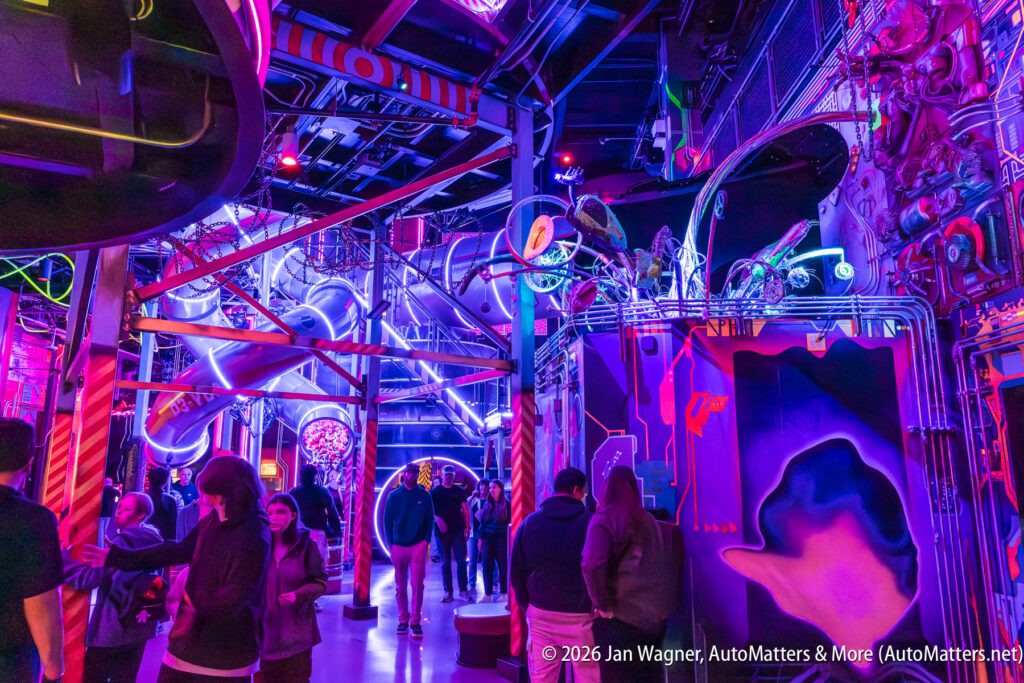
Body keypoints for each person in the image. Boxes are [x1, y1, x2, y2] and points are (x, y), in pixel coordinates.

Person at [78, 455, 271, 682]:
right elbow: (178, 550)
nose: (200, 494)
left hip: (223, 653)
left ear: (225, 491)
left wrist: (184, 599)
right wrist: (117, 557)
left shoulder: (253, 535)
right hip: (187, 643)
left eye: (206, 488)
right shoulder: (216, 519)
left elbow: (235, 597)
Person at [582, 466, 684, 683]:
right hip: (655, 621)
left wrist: (602, 605)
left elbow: (591, 565)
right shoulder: (651, 522)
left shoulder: (605, 519)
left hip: (620, 620)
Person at [63, 492, 163, 683]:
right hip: (140, 624)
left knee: (93, 677)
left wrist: (64, 561)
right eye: (119, 508)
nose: (118, 513)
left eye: (126, 510)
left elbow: (89, 579)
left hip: (112, 626)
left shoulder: (122, 543)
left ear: (140, 514)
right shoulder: (154, 540)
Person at [510, 467, 598, 683]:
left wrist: (526, 605)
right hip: (580, 614)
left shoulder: (530, 522)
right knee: (587, 675)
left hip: (540, 611)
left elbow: (516, 571)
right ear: (577, 491)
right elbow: (597, 566)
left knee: (542, 676)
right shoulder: (591, 523)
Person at [0, 419, 63, 683]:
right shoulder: (34, 520)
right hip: (9, 658)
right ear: (29, 461)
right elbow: (42, 605)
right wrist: (53, 670)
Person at [257, 494, 327, 683]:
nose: (274, 517)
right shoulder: (260, 546)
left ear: (293, 515)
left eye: (281, 512)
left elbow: (320, 582)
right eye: (270, 512)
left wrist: (298, 595)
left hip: (297, 634)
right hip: (264, 633)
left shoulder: (305, 546)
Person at [382, 463, 434, 639]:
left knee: (417, 585)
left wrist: (425, 542)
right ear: (404, 474)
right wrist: (391, 545)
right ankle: (403, 619)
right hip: (399, 546)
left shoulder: (425, 496)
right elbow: (387, 521)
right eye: (410, 473)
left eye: (415, 473)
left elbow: (430, 521)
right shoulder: (394, 496)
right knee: (400, 585)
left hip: (417, 546)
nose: (413, 476)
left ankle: (415, 621)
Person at [430, 465, 472, 603]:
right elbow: (430, 511)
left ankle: (463, 590)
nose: (448, 476)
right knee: (445, 562)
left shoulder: (459, 491)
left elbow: (465, 509)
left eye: (450, 475)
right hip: (442, 532)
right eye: (446, 474)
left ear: (454, 476)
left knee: (461, 561)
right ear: (442, 475)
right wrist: (437, 519)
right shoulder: (435, 492)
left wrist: (467, 526)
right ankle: (448, 592)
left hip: (458, 530)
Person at [289, 465, 342, 569]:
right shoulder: (322, 491)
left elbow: (288, 513)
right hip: (317, 532)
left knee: (298, 565)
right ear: (314, 477)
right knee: (318, 565)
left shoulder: (293, 492)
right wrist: (337, 531)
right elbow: (332, 513)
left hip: (298, 533)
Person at [476, 479, 510, 603]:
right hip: (488, 537)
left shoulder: (507, 504)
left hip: (501, 537)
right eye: (490, 488)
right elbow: (483, 523)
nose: (491, 490)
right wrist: (480, 539)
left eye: (494, 487)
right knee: (486, 565)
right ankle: (488, 594)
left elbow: (510, 522)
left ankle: (505, 593)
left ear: (500, 489)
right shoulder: (487, 503)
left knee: (503, 565)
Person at [467, 479, 489, 594]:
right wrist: (471, 496)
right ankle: (472, 584)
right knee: (472, 560)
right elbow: (464, 507)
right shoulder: (474, 499)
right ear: (478, 487)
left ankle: (492, 583)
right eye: (481, 486)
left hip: (487, 534)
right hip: (473, 533)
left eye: (486, 486)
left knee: (488, 559)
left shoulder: (491, 500)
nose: (483, 488)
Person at [146, 466, 180, 542]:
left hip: (145, 538)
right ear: (165, 480)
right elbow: (174, 525)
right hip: (162, 540)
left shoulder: (143, 497)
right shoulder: (169, 499)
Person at [100, 477, 120, 545]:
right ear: (111, 483)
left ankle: (100, 545)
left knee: (100, 530)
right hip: (109, 513)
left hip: (100, 512)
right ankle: (104, 544)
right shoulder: (114, 490)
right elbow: (119, 495)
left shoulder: (101, 490)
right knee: (105, 530)